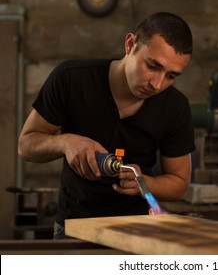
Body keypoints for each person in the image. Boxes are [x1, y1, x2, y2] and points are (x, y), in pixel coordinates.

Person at [18, 12, 195, 239]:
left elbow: (179, 184)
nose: (157, 84)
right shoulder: (71, 79)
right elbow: (26, 145)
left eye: (171, 76)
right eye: (152, 66)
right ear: (130, 44)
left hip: (136, 232)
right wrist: (65, 141)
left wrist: (146, 183)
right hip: (73, 228)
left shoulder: (175, 107)